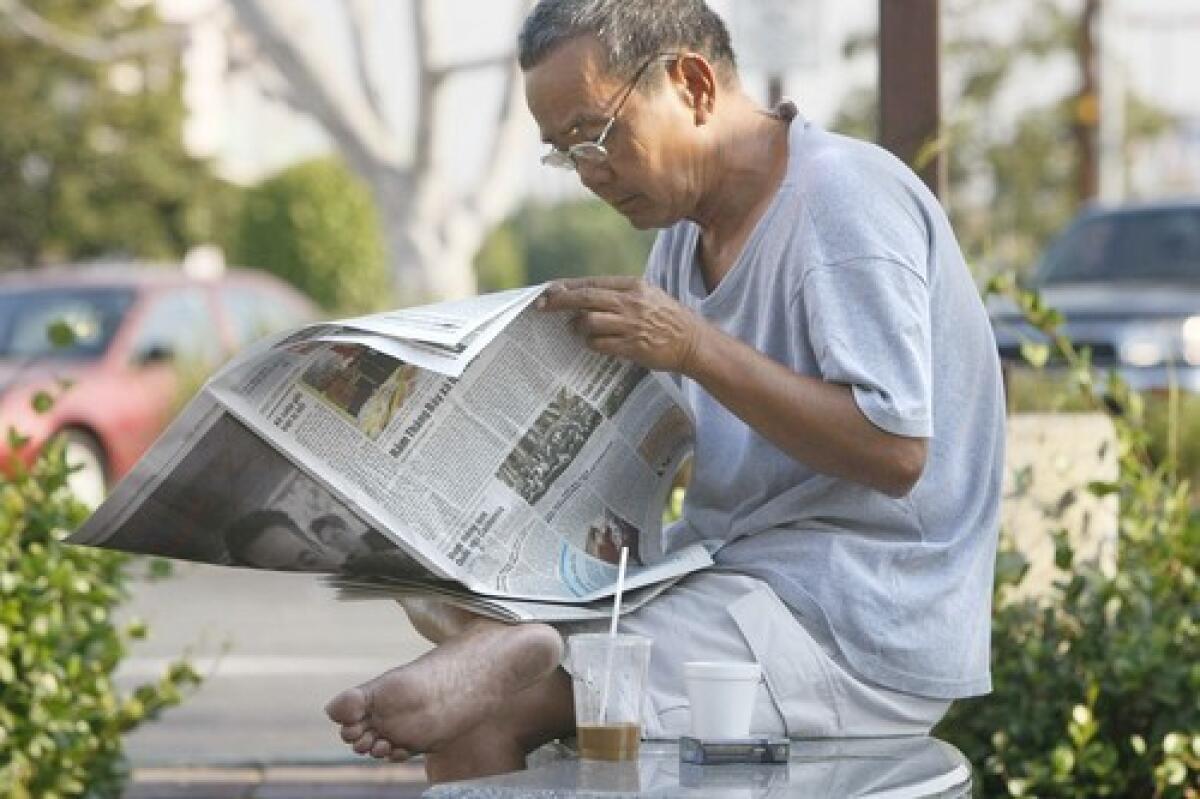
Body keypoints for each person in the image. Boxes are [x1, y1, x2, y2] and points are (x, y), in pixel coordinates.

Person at [324, 0, 1005, 783]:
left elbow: (896, 450)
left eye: (595, 133)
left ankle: (515, 646)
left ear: (692, 84)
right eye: (563, 151)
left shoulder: (842, 200)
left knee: (482, 706)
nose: (587, 172)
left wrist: (693, 345)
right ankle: (508, 626)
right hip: (729, 580)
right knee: (502, 626)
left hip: (855, 622)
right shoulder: (682, 243)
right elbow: (672, 453)